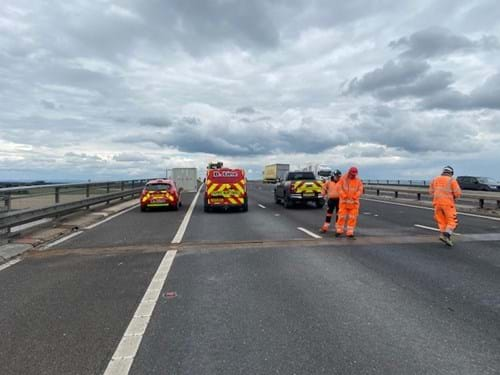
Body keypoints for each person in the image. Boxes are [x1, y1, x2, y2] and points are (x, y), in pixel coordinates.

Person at [429, 166, 461, 246]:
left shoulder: (435, 179)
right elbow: (457, 193)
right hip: (448, 204)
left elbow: (431, 192)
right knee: (452, 222)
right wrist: (455, 197)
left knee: (442, 221)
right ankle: (446, 236)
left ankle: (445, 237)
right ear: (451, 173)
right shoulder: (452, 180)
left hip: (437, 203)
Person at [336, 166, 364, 238]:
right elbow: (338, 187)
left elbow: (360, 190)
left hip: (354, 203)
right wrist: (343, 195)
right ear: (349, 172)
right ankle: (339, 231)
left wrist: (355, 196)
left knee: (352, 218)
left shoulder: (358, 180)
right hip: (344, 203)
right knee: (341, 217)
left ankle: (350, 232)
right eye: (352, 174)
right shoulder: (343, 179)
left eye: (355, 174)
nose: (353, 175)